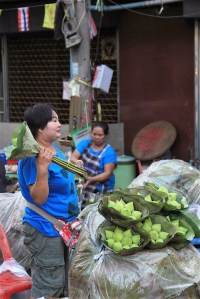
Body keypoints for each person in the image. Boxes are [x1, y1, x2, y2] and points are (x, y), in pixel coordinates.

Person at [17, 103, 79, 299]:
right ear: (39, 127)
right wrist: (42, 169)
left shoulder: (51, 149)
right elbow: (39, 198)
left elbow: (58, 182)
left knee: (61, 281)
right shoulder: (32, 157)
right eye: (54, 120)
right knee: (49, 285)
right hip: (45, 227)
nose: (59, 124)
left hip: (63, 227)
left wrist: (73, 167)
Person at [70, 121, 117, 209]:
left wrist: (91, 179)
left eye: (100, 135)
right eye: (94, 134)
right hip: (86, 182)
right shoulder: (85, 143)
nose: (96, 137)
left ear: (105, 135)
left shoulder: (109, 152)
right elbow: (73, 157)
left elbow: (107, 173)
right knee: (82, 208)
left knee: (97, 210)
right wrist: (77, 162)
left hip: (101, 188)